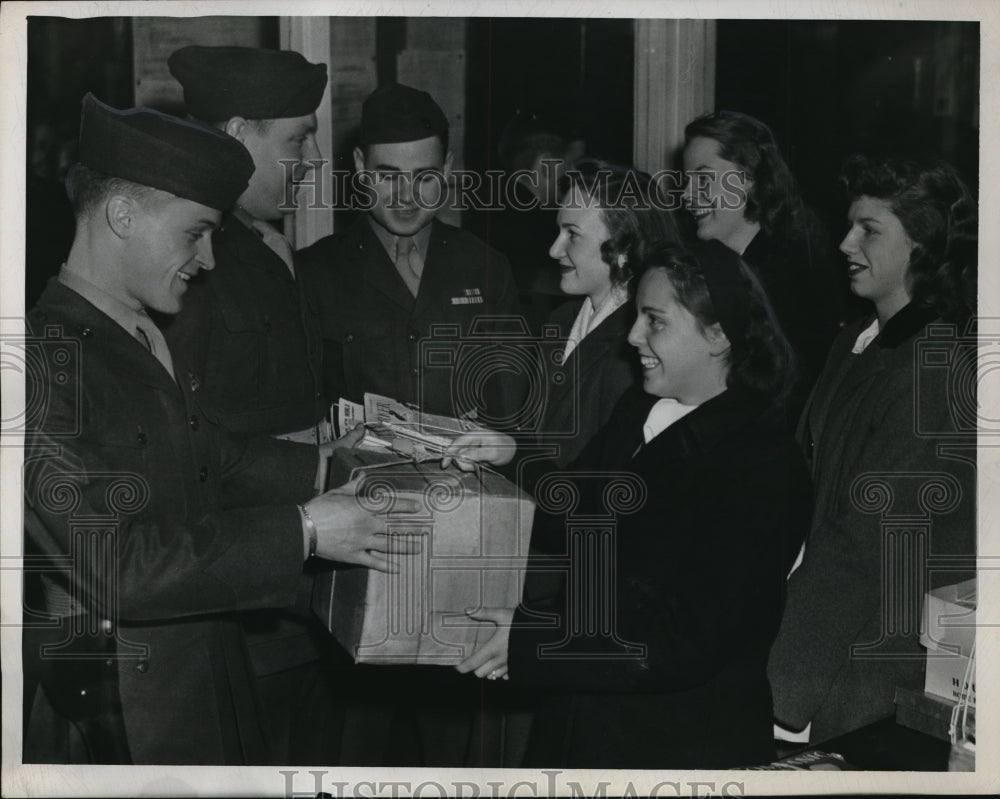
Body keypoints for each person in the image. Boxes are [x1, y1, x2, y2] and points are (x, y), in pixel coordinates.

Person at [21, 94, 419, 765]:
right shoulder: (41, 362)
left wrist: (326, 464)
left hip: (202, 671)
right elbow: (119, 564)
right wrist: (306, 530)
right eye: (194, 233)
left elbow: (204, 452)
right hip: (130, 711)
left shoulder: (137, 329)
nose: (208, 259)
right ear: (122, 216)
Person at [446, 240, 812, 769]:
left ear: (718, 335)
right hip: (583, 722)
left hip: (673, 748)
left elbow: (685, 642)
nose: (633, 335)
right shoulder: (641, 408)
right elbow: (572, 515)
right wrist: (510, 457)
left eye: (654, 321)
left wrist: (533, 642)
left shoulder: (762, 465)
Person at [160, 45, 337, 764]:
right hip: (239, 602)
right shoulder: (186, 262)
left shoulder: (266, 247)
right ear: (238, 135)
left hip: (295, 585)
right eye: (298, 140)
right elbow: (182, 444)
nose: (314, 160)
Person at [767, 153, 977, 743]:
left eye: (869, 230)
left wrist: (778, 684)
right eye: (849, 225)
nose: (844, 243)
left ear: (923, 246)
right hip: (826, 625)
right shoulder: (857, 342)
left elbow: (865, 543)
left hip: (866, 655)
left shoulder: (934, 369)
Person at [299, 83, 525, 429]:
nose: (407, 196)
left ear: (446, 169)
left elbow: (510, 414)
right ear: (360, 166)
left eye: (425, 177)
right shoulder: (315, 273)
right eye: (388, 176)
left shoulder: (486, 268)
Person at [681, 110, 845, 419]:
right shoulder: (714, 266)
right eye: (686, 181)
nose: (688, 195)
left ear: (749, 179)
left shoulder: (797, 278)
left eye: (703, 179)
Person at [536, 160, 679, 467]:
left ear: (623, 247)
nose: (554, 250)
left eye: (572, 234)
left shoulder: (640, 345)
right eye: (559, 231)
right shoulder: (561, 320)